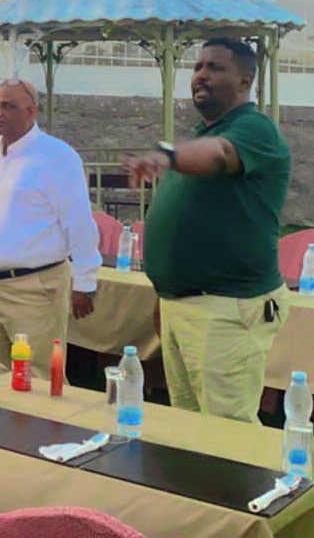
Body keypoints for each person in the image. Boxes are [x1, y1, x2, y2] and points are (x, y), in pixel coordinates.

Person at [123, 38, 291, 424]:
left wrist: (168, 155)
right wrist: (166, 293)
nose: (201, 75)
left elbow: (220, 154)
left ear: (245, 80)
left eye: (215, 67)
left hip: (226, 308)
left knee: (227, 431)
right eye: (198, 66)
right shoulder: (200, 135)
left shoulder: (255, 129)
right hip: (184, 305)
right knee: (191, 427)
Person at [0, 78, 101, 378]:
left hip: (31, 289)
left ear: (31, 111)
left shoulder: (58, 156)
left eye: (9, 106)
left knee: (38, 379)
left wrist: (85, 281)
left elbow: (78, 222)